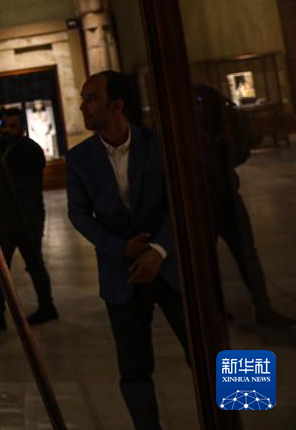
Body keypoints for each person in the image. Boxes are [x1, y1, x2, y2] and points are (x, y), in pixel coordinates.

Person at [67, 70, 188, 430]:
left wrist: (159, 250)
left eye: (91, 98)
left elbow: (183, 200)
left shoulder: (159, 144)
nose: (83, 106)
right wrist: (120, 248)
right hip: (121, 273)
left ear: (117, 104)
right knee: (134, 369)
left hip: (171, 266)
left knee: (214, 354)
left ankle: (242, 416)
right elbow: (78, 214)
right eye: (83, 98)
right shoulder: (79, 158)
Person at [193, 85, 294, 328]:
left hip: (221, 196)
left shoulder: (211, 111)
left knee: (241, 254)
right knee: (225, 256)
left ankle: (259, 308)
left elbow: (237, 152)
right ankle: (253, 308)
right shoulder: (206, 109)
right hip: (211, 198)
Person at [0, 107, 56, 333]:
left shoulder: (30, 150)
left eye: (13, 126)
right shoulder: (2, 147)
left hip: (27, 217)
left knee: (34, 264)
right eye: (4, 126)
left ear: (22, 128)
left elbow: (9, 182)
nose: (7, 130)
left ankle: (47, 307)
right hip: (2, 217)